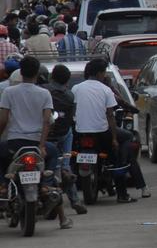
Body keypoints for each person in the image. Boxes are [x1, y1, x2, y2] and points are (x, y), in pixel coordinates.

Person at [0, 56, 70, 228]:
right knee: (54, 154)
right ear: (38, 73)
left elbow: (3, 120)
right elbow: (47, 121)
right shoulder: (44, 93)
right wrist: (41, 145)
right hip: (36, 144)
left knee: (1, 159)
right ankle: (46, 186)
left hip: (14, 144)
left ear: (20, 72)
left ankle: (3, 184)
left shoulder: (9, 92)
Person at [73, 58, 146, 202]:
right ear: (100, 73)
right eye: (104, 72)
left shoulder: (76, 88)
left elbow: (73, 110)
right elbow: (110, 115)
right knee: (125, 139)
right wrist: (114, 139)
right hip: (102, 133)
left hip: (81, 133)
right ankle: (122, 191)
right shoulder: (106, 90)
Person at [47, 64, 86, 214]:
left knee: (49, 168)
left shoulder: (45, 91)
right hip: (63, 135)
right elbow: (71, 118)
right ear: (67, 80)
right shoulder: (70, 95)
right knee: (65, 167)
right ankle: (75, 200)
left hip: (47, 137)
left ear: (52, 77)